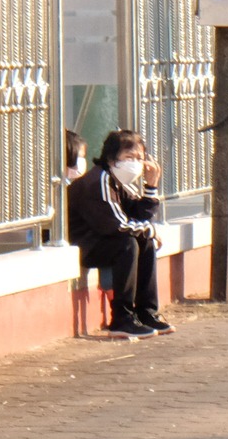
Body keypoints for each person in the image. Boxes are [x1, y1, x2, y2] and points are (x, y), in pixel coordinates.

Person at [67, 129, 172, 339]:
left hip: (102, 240)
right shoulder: (99, 181)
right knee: (128, 244)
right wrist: (149, 230)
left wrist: (151, 186)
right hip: (85, 244)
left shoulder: (119, 181)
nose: (135, 163)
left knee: (145, 242)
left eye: (140, 158)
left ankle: (146, 312)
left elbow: (140, 215)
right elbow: (117, 225)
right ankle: (122, 319)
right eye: (129, 157)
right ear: (112, 158)